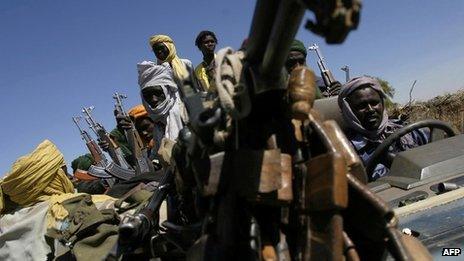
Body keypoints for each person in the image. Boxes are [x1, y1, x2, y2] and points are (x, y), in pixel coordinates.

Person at [338, 76, 429, 181]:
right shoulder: (346, 152)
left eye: (374, 103)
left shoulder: (408, 132)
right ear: (349, 111)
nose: (370, 109)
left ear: (382, 102)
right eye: (361, 106)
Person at [138, 35, 189, 155]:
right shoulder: (156, 72)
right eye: (156, 50)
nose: (159, 52)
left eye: (162, 48)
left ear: (170, 47)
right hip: (165, 109)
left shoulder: (185, 64)